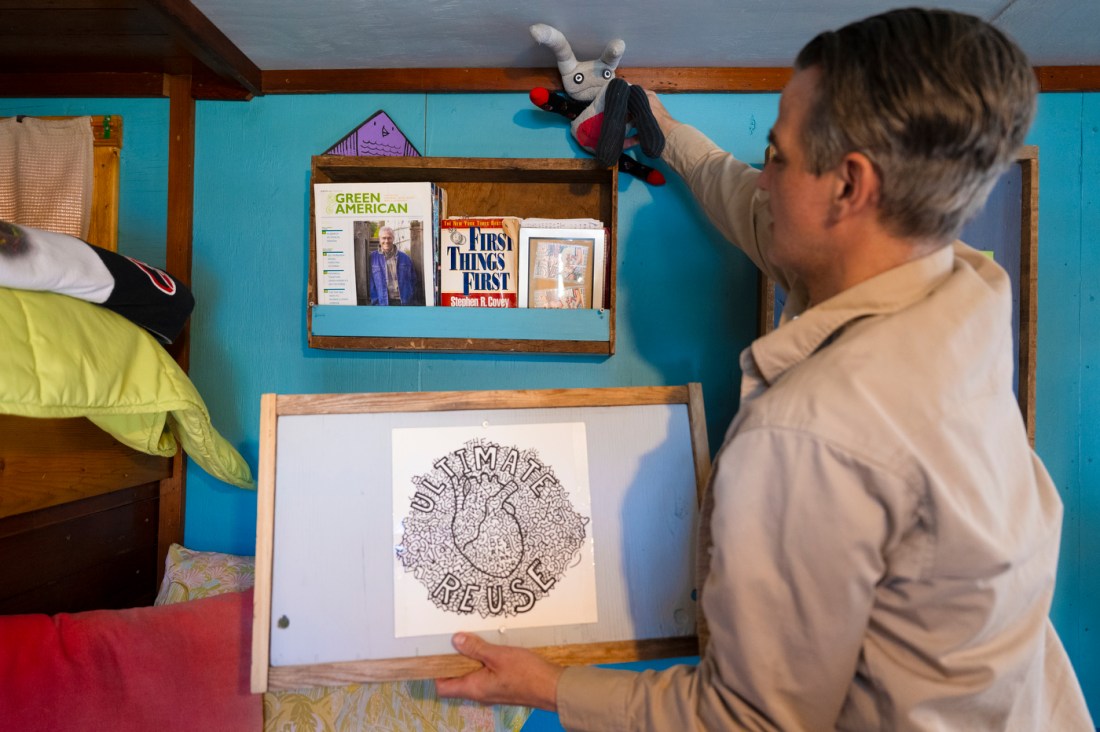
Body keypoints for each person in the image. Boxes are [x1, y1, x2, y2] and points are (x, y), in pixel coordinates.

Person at [436, 8, 1095, 730]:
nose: (765, 175)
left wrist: (552, 687)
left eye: (777, 156)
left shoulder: (811, 432)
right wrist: (666, 131)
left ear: (850, 186)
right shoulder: (960, 284)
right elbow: (753, 206)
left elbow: (752, 720)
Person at [369, 225, 420, 305]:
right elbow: (370, 283)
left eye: (389, 238)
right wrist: (376, 303)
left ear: (393, 239)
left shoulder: (405, 258)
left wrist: (410, 299)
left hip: (403, 303)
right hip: (382, 303)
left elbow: (413, 280)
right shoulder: (372, 258)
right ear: (379, 239)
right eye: (384, 238)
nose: (386, 241)